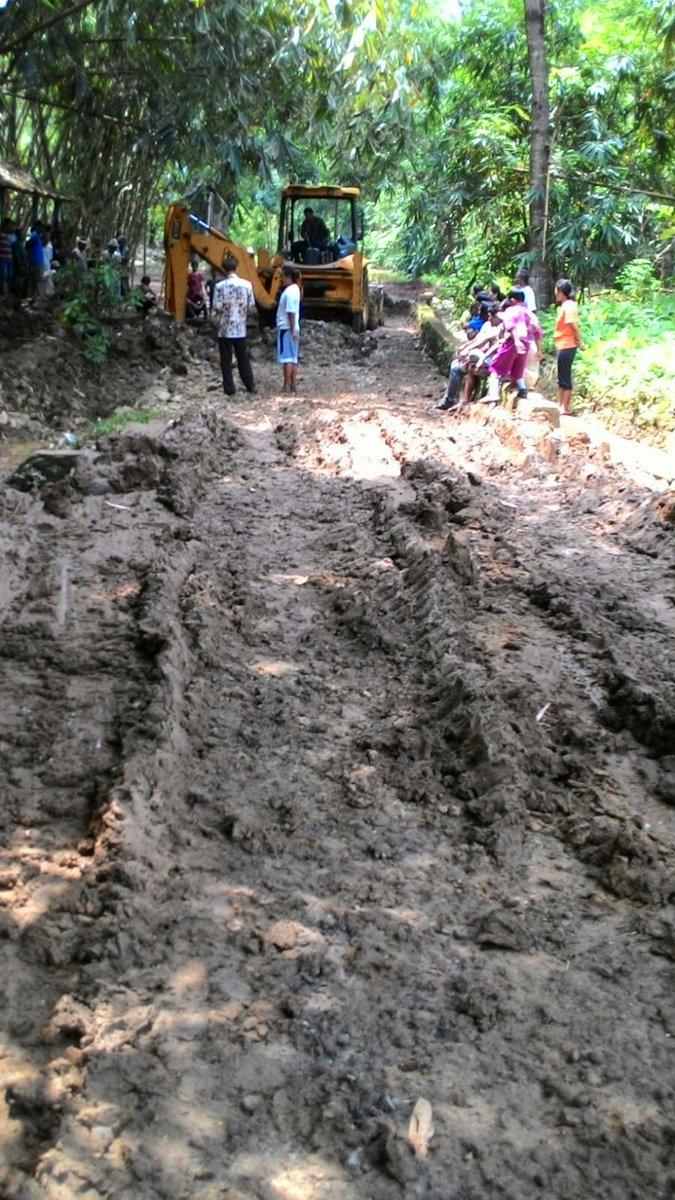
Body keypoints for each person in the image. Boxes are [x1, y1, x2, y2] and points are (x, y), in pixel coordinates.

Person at [484, 288, 541, 404]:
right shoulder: (529, 313)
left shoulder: (511, 311)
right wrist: (539, 350)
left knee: (495, 367)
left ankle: (493, 393)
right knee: (517, 370)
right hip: (527, 344)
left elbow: (512, 326)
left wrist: (516, 341)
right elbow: (538, 331)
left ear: (512, 300)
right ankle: (523, 389)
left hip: (513, 342)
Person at [212, 253, 256, 395]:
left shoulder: (219, 287)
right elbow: (251, 307)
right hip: (240, 328)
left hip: (225, 328)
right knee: (243, 358)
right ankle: (250, 385)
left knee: (226, 360)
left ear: (224, 270)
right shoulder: (247, 285)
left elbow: (217, 307)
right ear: (236, 268)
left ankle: (229, 388)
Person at [554, 279, 584, 415]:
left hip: (567, 345)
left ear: (560, 291)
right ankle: (560, 404)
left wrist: (580, 341)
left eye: (556, 290)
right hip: (562, 344)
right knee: (561, 376)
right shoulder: (565, 306)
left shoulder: (569, 306)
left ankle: (564, 407)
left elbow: (574, 326)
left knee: (565, 376)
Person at [276, 264, 301, 393]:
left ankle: (287, 385)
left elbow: (290, 312)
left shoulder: (290, 292)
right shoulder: (295, 289)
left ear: (288, 277)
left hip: (287, 328)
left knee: (287, 358)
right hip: (292, 327)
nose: (281, 279)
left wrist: (292, 330)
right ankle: (293, 384)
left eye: (283, 276)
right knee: (294, 357)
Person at [26, 222, 44, 298]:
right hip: (36, 260)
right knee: (35, 279)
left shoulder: (38, 236)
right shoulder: (34, 235)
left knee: (38, 278)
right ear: (37, 227)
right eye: (41, 227)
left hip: (39, 260)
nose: (42, 229)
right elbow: (27, 246)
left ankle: (36, 295)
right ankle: (34, 295)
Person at [0, 217, 14, 295]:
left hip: (9, 259)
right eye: (11, 225)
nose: (12, 227)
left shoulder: (9, 236)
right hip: (3, 259)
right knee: (4, 277)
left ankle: (7, 294)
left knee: (9, 278)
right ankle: (4, 295)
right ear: (6, 225)